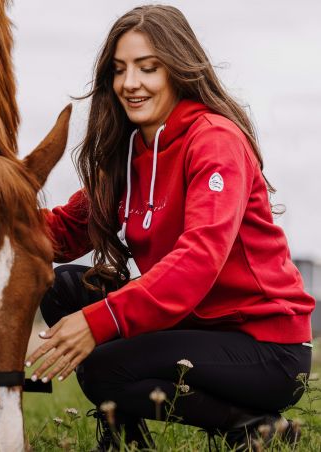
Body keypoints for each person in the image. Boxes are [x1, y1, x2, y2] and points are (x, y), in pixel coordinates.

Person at [25, 4, 315, 451]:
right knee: (59, 286)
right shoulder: (131, 152)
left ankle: (254, 429)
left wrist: (100, 321)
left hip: (264, 348)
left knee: (103, 367)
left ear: (178, 69)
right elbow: (61, 232)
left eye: (148, 68)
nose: (130, 83)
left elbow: (197, 262)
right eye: (120, 70)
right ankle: (124, 435)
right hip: (192, 327)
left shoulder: (214, 141)